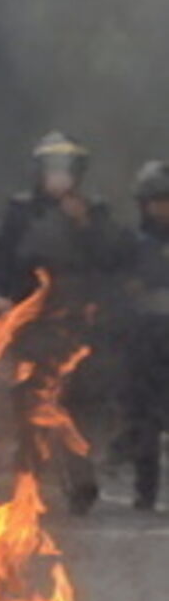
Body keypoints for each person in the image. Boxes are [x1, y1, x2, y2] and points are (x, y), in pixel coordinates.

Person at [0, 131, 125, 515]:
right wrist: (0, 296)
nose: (60, 178)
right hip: (31, 326)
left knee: (76, 405)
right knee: (28, 406)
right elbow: (0, 258)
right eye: (53, 170)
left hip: (76, 329)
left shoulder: (93, 213)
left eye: (67, 171)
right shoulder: (20, 212)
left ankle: (80, 482)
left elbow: (114, 259)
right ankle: (26, 486)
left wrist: (85, 225)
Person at [121, 160, 169, 512]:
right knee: (144, 418)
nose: (163, 208)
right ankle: (145, 490)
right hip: (145, 336)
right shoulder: (134, 243)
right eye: (157, 200)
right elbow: (123, 286)